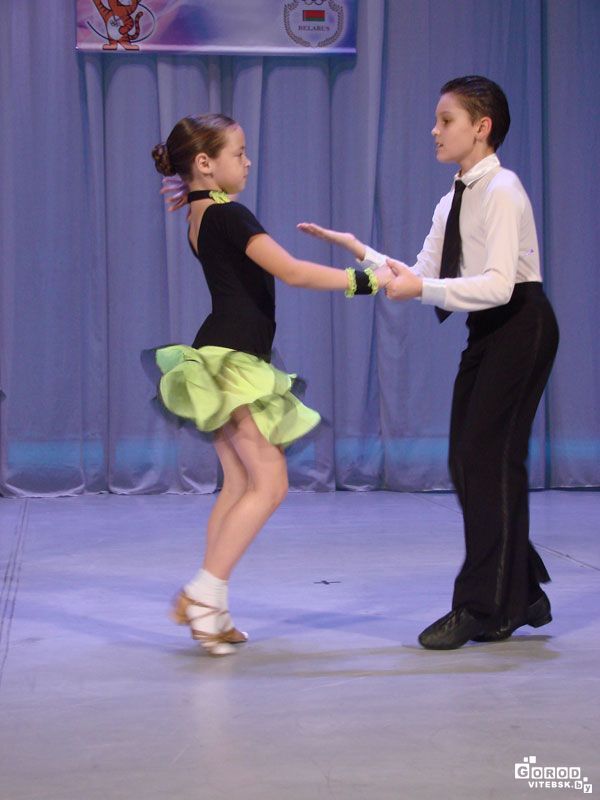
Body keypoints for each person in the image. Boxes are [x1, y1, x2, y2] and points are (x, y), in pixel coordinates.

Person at [299, 76, 559, 650]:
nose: (434, 131)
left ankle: (479, 606)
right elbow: (419, 272)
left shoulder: (503, 190)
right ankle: (521, 592)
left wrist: (421, 289)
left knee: (488, 460)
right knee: (466, 462)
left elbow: (497, 285)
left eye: (446, 121)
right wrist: (361, 251)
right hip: (488, 330)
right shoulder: (452, 199)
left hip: (522, 325)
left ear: (481, 127)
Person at [151, 113, 391, 655]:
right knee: (271, 484)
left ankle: (212, 612)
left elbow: (211, 214)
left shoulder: (200, 215)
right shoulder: (229, 214)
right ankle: (202, 592)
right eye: (238, 153)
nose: (248, 161)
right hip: (235, 361)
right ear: (205, 163)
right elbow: (292, 271)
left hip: (218, 355)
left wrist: (191, 186)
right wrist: (369, 280)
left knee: (239, 484)